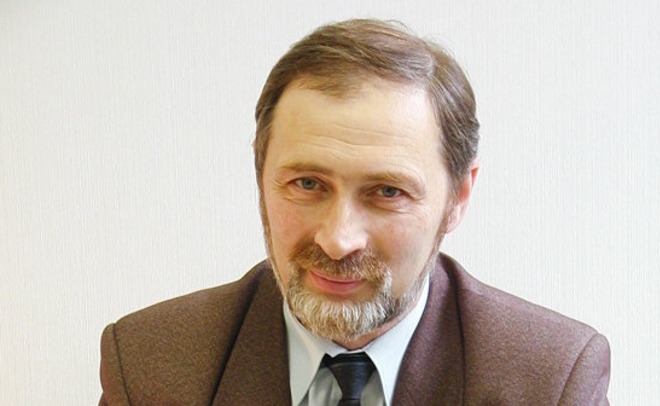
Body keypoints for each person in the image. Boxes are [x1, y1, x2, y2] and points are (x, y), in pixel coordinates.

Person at [99, 19, 610, 405]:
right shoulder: (151, 365)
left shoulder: (550, 379)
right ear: (261, 178)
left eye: (387, 192)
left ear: (457, 198)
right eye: (307, 184)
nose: (338, 240)